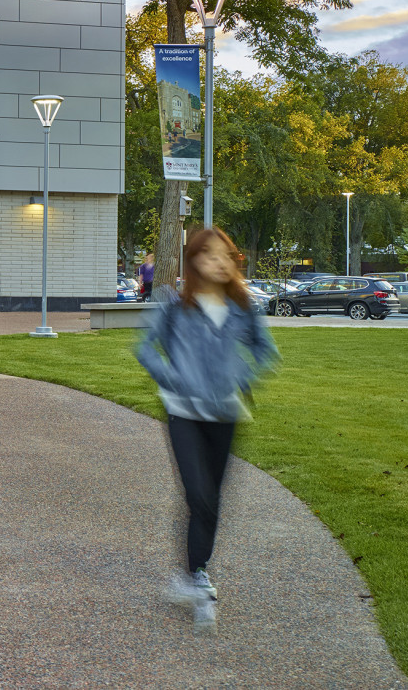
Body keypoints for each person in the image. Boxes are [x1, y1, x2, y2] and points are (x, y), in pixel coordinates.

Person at [133, 227, 279, 636]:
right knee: (197, 493)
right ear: (194, 261)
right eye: (208, 254)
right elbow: (145, 348)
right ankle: (199, 578)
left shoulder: (243, 308)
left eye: (224, 254)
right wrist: (171, 377)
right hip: (183, 413)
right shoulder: (174, 307)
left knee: (210, 500)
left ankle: (195, 572)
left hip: (225, 414)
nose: (218, 261)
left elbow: (266, 352)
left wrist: (242, 374)